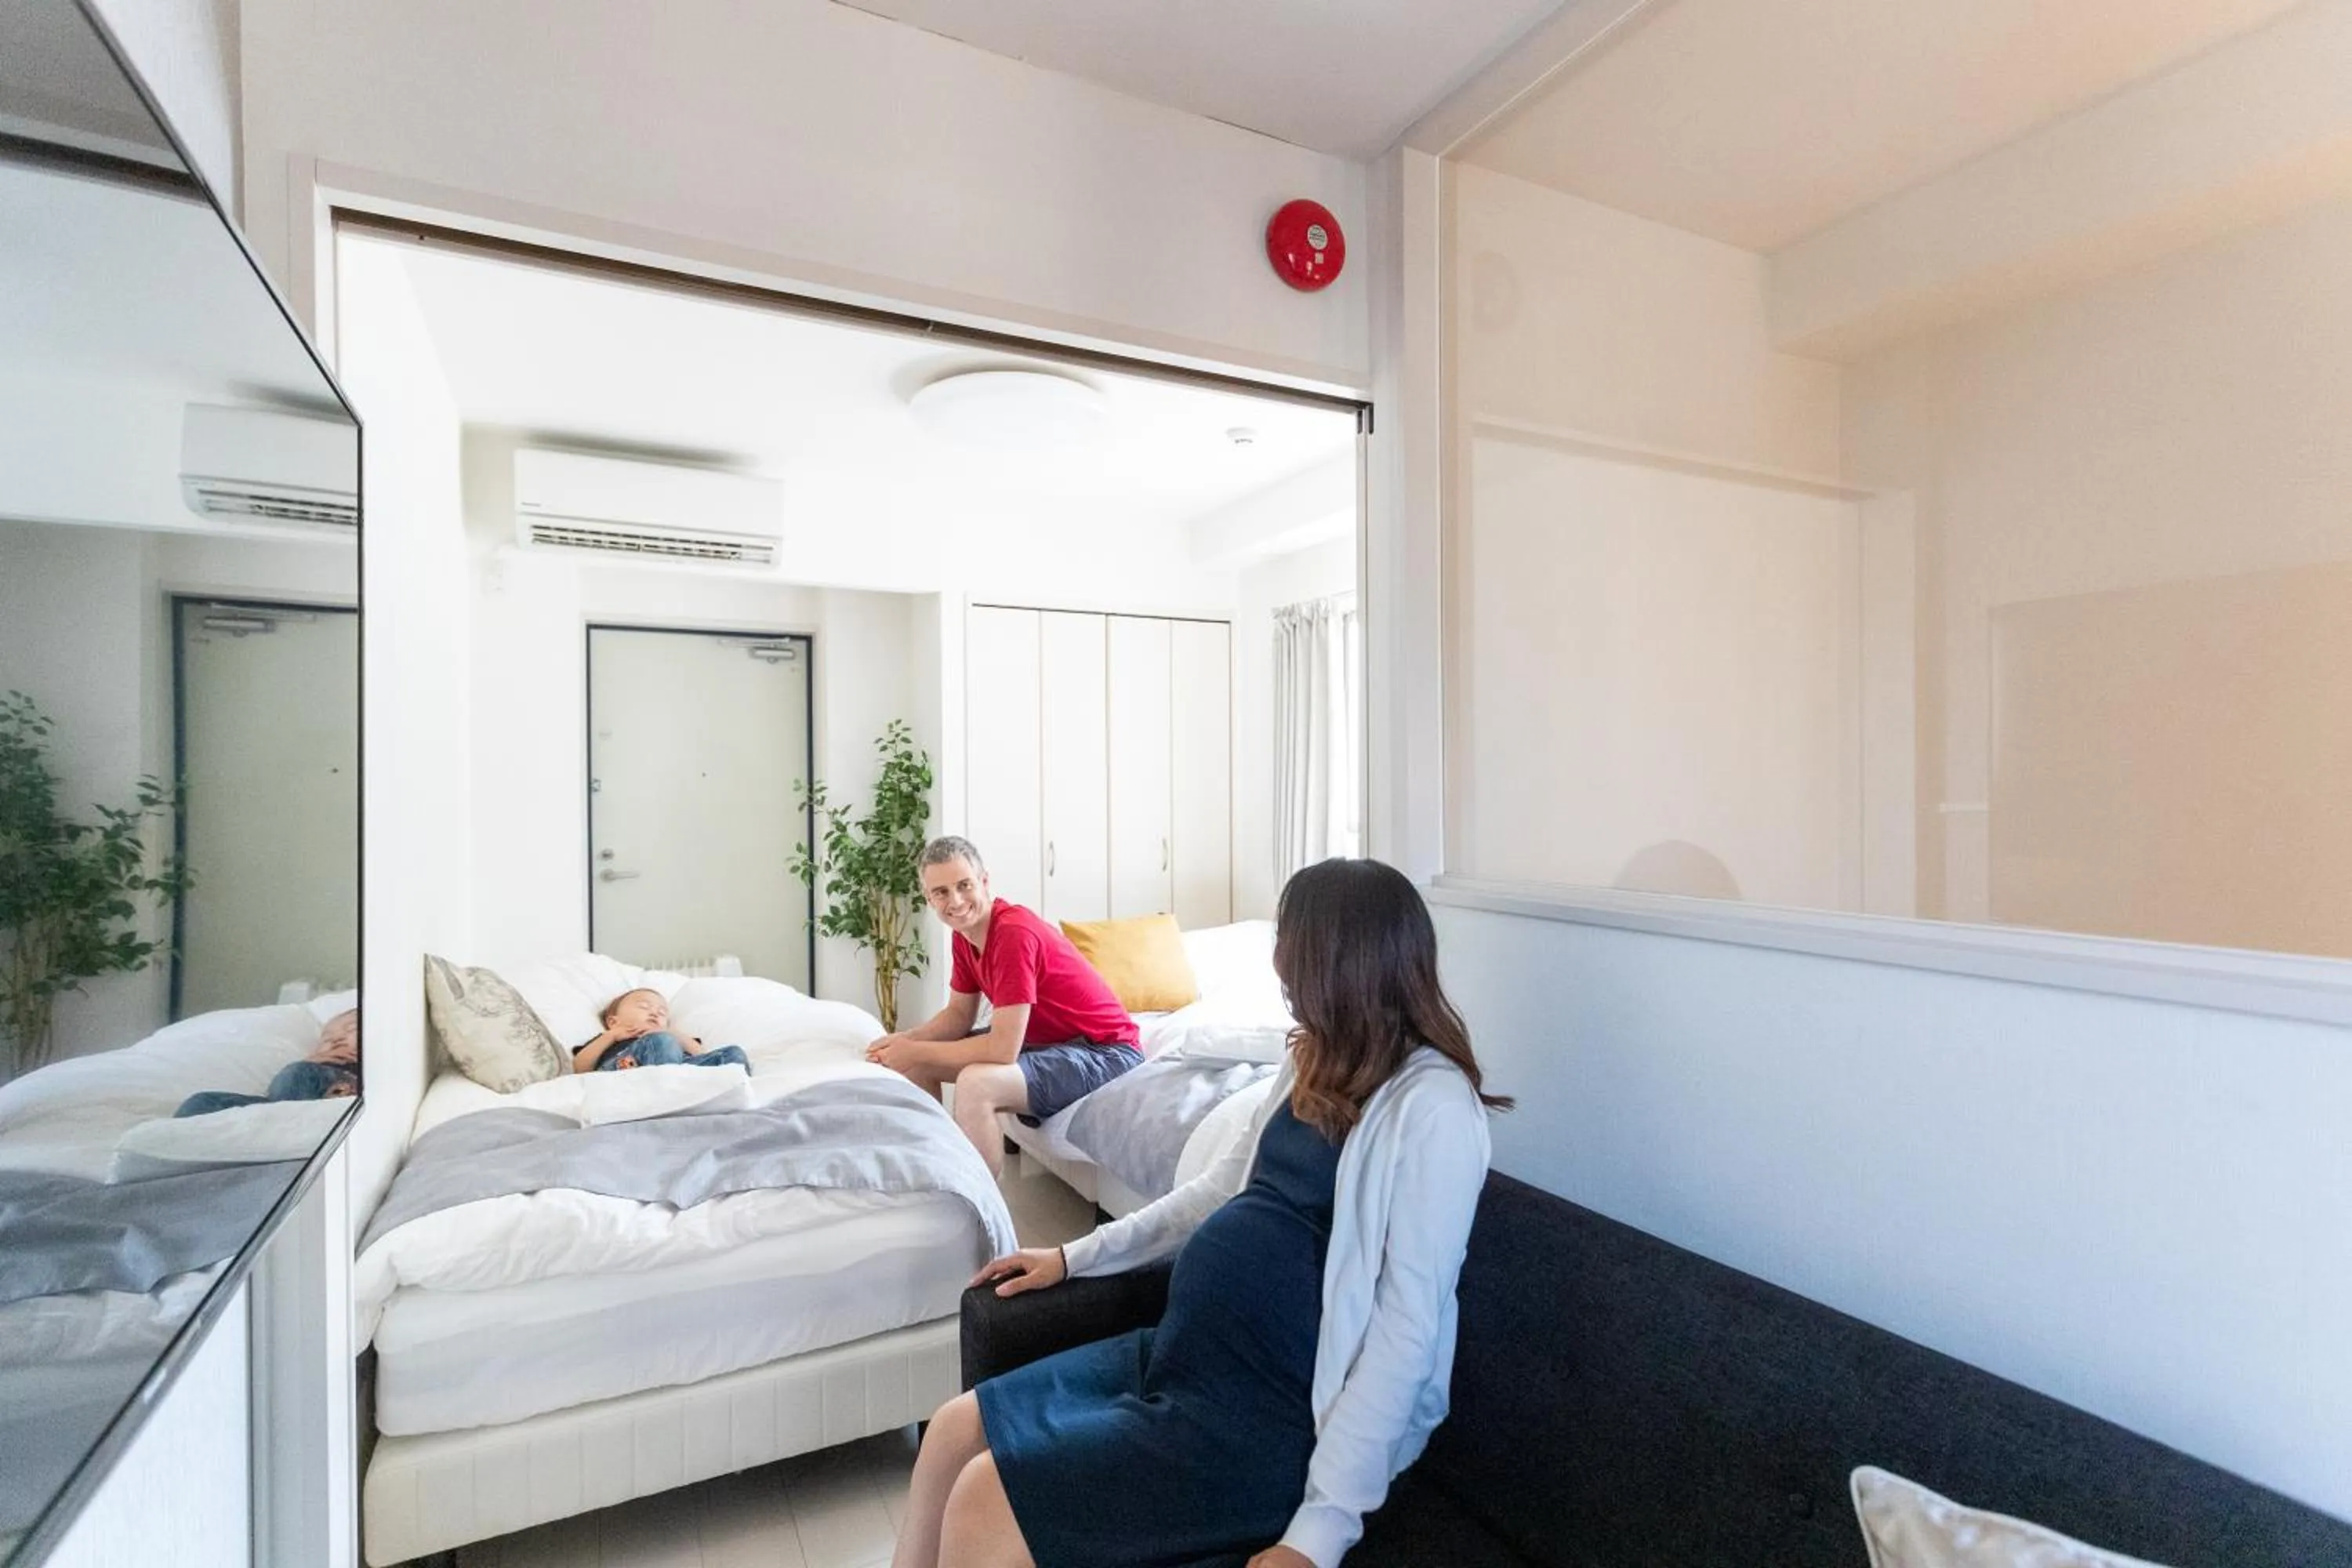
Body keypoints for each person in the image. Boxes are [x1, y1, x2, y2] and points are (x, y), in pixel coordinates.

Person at [890, 858, 1511, 1568]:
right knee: (950, 1433)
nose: (1281, 973)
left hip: (1270, 1411)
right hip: (1189, 1352)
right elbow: (1218, 1192)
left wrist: (1318, 1536)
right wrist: (1073, 1256)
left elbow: (1406, 1332)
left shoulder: (1432, 1109)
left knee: (984, 1498)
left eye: (1293, 954)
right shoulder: (1311, 1057)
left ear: (1347, 964)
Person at [866, 836, 1142, 1174]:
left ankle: (980, 1217)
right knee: (920, 1065)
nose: (956, 901)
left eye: (964, 885)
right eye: (941, 893)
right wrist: (907, 1041)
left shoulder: (1013, 933)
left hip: (1107, 1053)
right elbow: (958, 1017)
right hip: (1049, 1042)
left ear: (984, 881)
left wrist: (915, 1050)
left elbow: (1002, 1050)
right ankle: (936, 1179)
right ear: (929, 899)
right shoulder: (964, 936)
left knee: (976, 1084)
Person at [175, 1007, 360, 1119]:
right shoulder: (308, 1067)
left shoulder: (373, 1063)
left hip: (339, 1096)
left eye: (350, 1030)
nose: (336, 1040)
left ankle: (285, 1132)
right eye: (327, 1038)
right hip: (285, 1106)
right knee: (202, 1103)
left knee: (298, 1073)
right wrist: (309, 1063)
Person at [570, 987, 748, 1073]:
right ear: (613, 1021)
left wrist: (672, 1033)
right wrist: (612, 1036)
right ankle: (670, 1096)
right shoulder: (609, 1038)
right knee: (662, 1042)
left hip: (681, 1073)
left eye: (662, 1013)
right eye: (644, 1006)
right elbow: (580, 1068)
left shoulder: (672, 1036)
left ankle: (698, 1094)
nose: (654, 1013)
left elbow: (700, 1053)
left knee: (734, 1054)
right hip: (625, 1072)